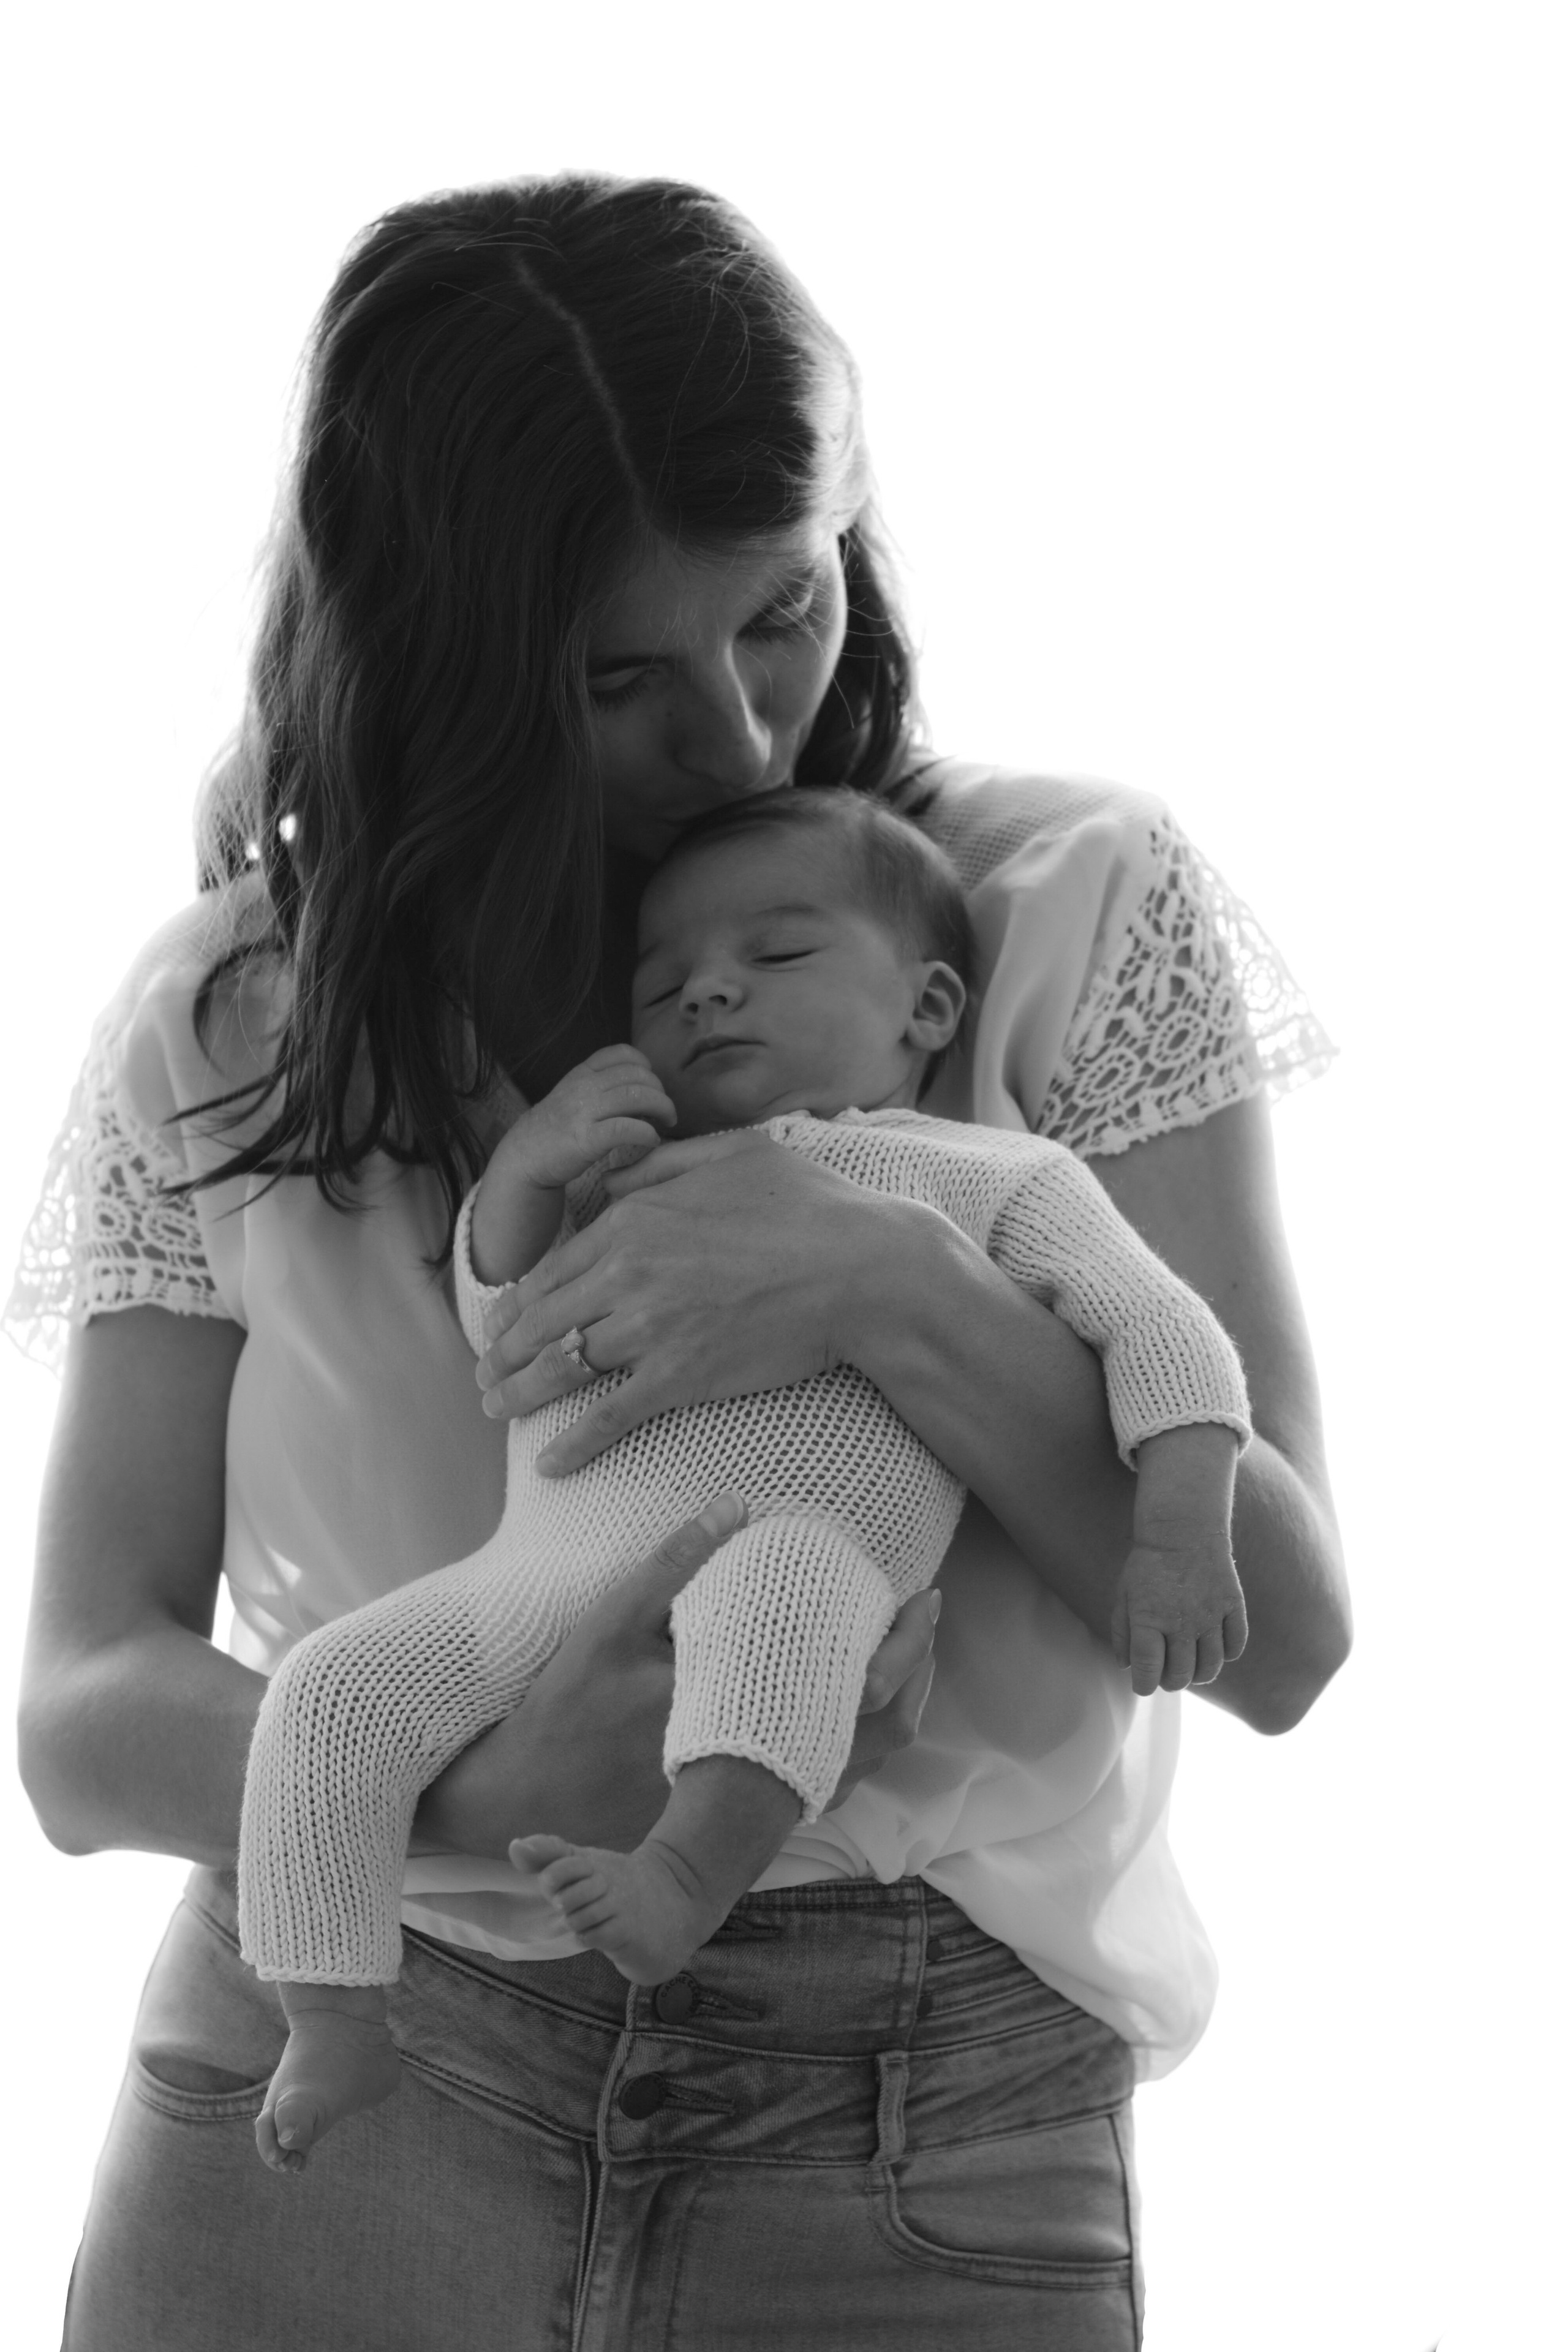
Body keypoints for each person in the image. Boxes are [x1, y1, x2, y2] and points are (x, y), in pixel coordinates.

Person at [10, 173, 1349, 2350]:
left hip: (912, 2137)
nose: (737, 736)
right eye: (616, 673)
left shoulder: (1053, 907)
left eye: (782, 613)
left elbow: (1282, 1638)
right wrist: (497, 1795)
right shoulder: (237, 1023)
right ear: (437, 665)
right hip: (324, 2086)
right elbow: (80, 1712)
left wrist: (880, 1283)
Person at [243, 788, 1253, 2174]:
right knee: (325, 1689)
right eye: (664, 984)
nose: (709, 991)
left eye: (775, 956)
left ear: (929, 1006)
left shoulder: (991, 1179)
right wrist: (524, 1182)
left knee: (784, 1599)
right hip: (519, 1581)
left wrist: (1181, 1528)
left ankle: (682, 1873)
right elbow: (506, 1335)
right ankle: (330, 2009)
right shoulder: (624, 1180)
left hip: (788, 1547)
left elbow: (1164, 1330)